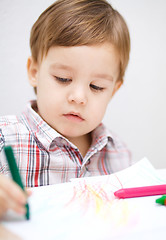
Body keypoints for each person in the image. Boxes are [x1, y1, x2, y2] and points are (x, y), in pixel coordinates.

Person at [0, 0, 131, 218]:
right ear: (34, 71)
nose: (79, 97)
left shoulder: (119, 153)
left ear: (114, 90)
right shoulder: (5, 136)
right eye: (63, 79)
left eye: (96, 87)